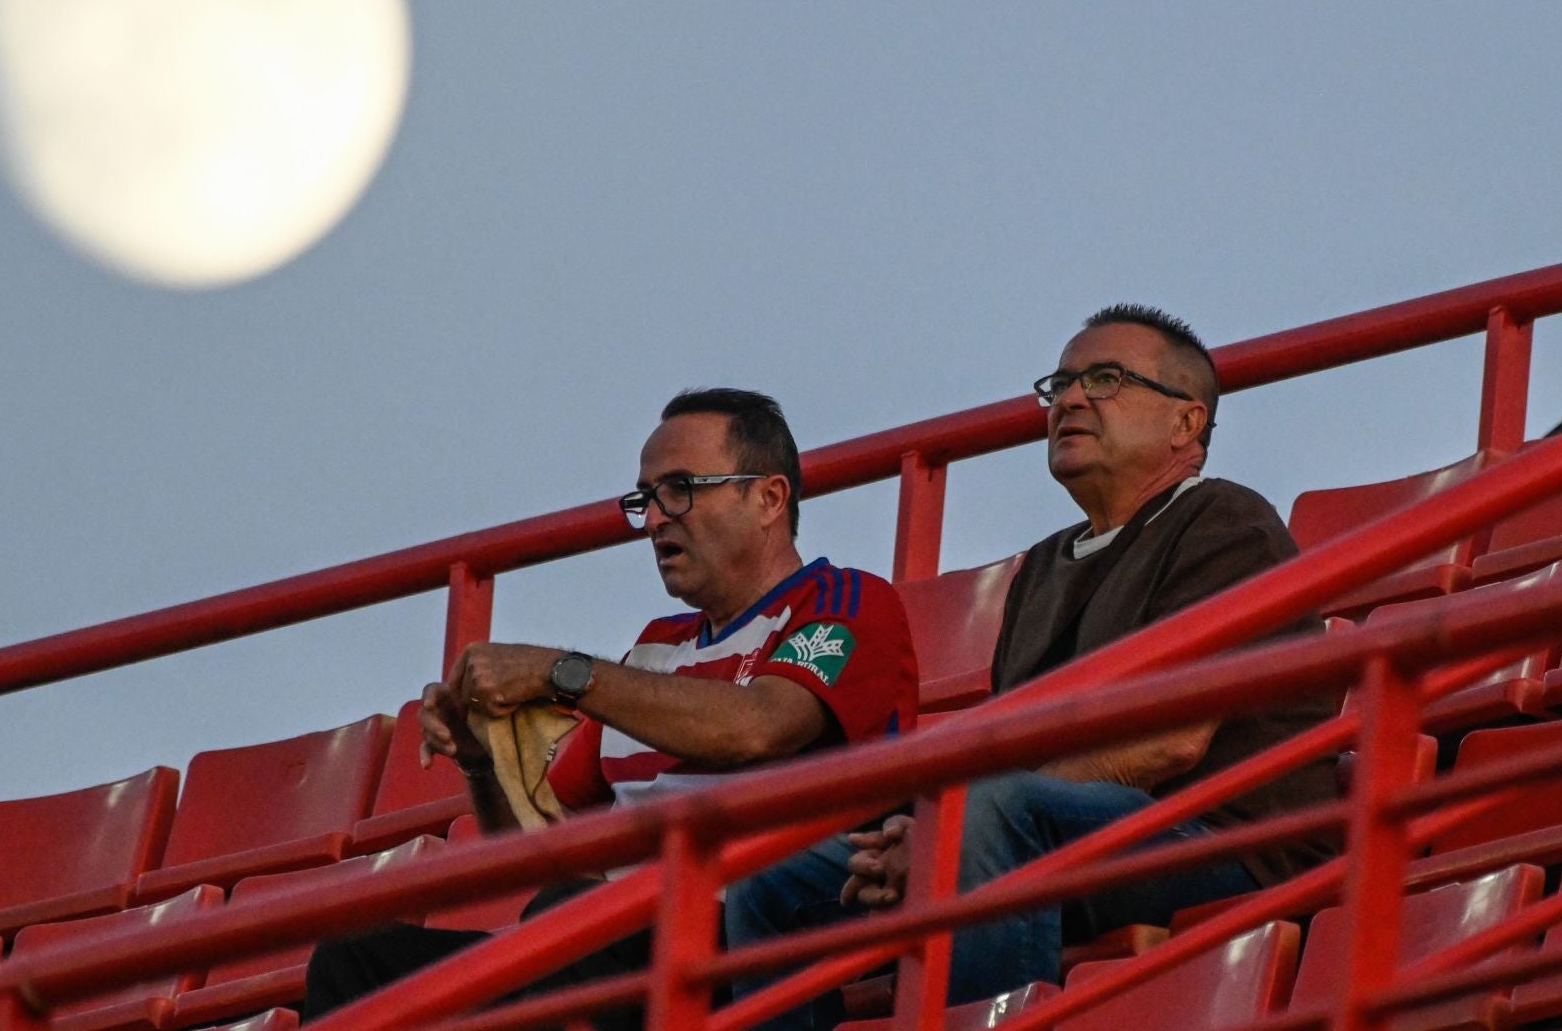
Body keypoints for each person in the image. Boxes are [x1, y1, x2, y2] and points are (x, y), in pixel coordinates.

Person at [725, 306, 1338, 1023]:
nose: (1071, 399)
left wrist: (949, 832)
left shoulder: (1226, 522)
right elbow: (1008, 750)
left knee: (992, 811)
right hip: (1058, 835)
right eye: (1061, 384)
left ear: (1186, 422)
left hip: (1224, 841)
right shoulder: (1044, 564)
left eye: (1105, 379)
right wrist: (922, 832)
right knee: (773, 881)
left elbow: (1171, 741)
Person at [304, 388, 918, 1029]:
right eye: (645, 498)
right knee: (356, 964)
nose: (653, 520)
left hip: (738, 948)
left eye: (680, 490)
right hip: (612, 949)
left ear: (768, 498)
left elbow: (759, 726)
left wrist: (561, 673)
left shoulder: (846, 601)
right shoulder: (654, 649)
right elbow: (543, 853)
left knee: (570, 929)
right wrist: (483, 761)